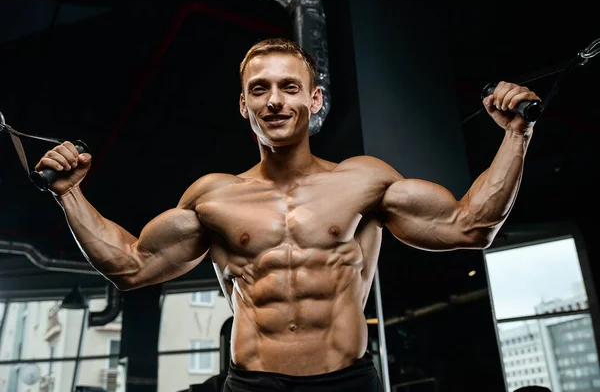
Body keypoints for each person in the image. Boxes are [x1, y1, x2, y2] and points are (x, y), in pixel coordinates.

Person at [35, 38, 540, 391]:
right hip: (253, 385)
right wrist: (69, 194)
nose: (274, 100)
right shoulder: (215, 197)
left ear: (314, 99)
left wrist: (516, 133)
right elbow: (130, 265)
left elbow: (471, 226)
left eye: (289, 87)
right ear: (243, 105)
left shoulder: (363, 181)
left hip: (347, 381)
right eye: (259, 89)